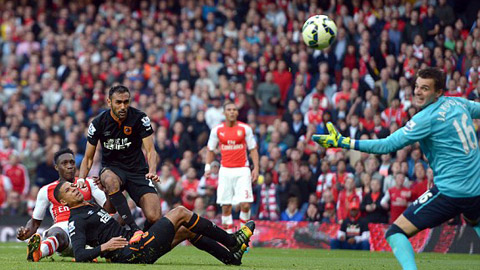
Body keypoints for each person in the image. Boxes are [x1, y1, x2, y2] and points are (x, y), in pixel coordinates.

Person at [313, 67, 480, 270]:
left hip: (451, 191)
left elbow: (386, 145)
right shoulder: (458, 102)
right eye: (417, 86)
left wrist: (345, 142)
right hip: (476, 188)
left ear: (438, 92)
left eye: (425, 88)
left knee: (395, 233)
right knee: (473, 219)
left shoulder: (424, 119)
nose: (418, 92)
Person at [53, 181, 254, 265]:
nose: (74, 189)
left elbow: (107, 223)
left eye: (73, 186)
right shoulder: (76, 220)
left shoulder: (88, 206)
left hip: (134, 245)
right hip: (131, 252)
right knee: (180, 213)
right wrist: (105, 247)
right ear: (63, 202)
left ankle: (232, 258)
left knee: (186, 230)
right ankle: (232, 241)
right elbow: (79, 254)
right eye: (69, 191)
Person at [78, 85, 160, 243]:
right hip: (112, 169)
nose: (123, 106)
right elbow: (88, 157)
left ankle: (139, 241)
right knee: (110, 180)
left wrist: (152, 171)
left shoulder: (140, 118)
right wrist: (81, 178)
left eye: (126, 102)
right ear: (109, 102)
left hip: (138, 171)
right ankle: (134, 229)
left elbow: (150, 150)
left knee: (154, 216)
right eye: (118, 102)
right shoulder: (98, 123)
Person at [16, 148, 112, 262]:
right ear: (56, 167)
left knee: (118, 217)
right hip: (66, 233)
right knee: (56, 233)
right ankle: (39, 252)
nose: (70, 166)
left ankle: (99, 251)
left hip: (89, 230)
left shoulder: (88, 182)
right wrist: (26, 232)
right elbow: (35, 222)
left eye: (72, 162)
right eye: (64, 163)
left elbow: (109, 209)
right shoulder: (46, 190)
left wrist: (108, 190)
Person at [205, 101, 259, 232]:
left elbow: (253, 149)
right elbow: (210, 150)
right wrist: (207, 167)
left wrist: (256, 168)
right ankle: (229, 238)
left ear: (237, 112)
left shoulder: (245, 129)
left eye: (234, 109)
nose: (232, 112)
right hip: (225, 171)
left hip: (242, 170)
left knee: (245, 205)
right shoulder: (217, 130)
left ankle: (243, 235)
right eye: (229, 109)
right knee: (226, 207)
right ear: (224, 113)